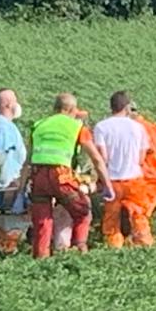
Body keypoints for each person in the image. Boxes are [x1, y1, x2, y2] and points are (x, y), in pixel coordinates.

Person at [20, 93, 113, 258]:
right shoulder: (77, 127)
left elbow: (27, 161)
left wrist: (19, 191)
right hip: (61, 176)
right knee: (83, 211)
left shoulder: (39, 125)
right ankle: (79, 251)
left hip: (38, 176)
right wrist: (107, 185)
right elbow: (97, 159)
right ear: (71, 109)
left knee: (43, 221)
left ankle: (41, 260)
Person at [93, 91, 153, 248]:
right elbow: (141, 158)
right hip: (134, 179)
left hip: (112, 180)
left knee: (111, 216)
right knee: (139, 213)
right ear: (127, 107)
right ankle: (144, 243)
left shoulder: (101, 127)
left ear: (111, 107)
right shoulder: (138, 127)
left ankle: (114, 245)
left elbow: (102, 158)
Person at [131, 104, 156, 218]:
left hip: (147, 175)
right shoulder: (152, 127)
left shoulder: (135, 129)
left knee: (138, 212)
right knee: (142, 211)